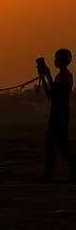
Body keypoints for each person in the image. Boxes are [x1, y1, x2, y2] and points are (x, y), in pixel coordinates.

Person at [37, 48, 76, 182]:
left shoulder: (65, 76)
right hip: (58, 113)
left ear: (63, 60)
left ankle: (49, 175)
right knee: (60, 144)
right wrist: (43, 76)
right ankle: (49, 174)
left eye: (57, 58)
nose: (55, 60)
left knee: (56, 144)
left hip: (60, 114)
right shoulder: (61, 76)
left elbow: (56, 92)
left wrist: (47, 75)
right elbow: (50, 95)